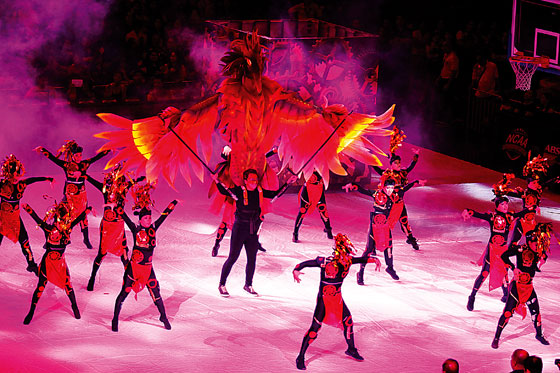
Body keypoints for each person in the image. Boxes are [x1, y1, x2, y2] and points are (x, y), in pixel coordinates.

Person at [293, 233, 381, 370]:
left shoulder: (348, 262)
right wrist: (296, 270)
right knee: (314, 330)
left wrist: (373, 260)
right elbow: (306, 263)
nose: (348, 256)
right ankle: (300, 357)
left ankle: (351, 349)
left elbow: (360, 259)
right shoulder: (325, 262)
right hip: (324, 300)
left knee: (348, 322)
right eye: (346, 252)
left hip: (337, 299)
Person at [215, 168, 293, 297]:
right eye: (251, 180)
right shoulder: (239, 191)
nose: (254, 182)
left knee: (252, 258)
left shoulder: (259, 192)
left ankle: (248, 284)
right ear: (245, 180)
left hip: (253, 230)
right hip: (240, 228)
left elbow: (275, 195)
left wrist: (288, 183)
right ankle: (222, 284)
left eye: (256, 180)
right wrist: (216, 180)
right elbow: (224, 190)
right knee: (233, 257)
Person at [111, 183, 177, 332]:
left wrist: (173, 204)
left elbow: (164, 217)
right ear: (140, 220)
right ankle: (115, 318)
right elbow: (124, 216)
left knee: (156, 293)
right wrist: (117, 205)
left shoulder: (153, 228)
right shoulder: (136, 229)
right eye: (145, 218)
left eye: (149, 218)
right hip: (134, 268)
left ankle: (163, 316)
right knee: (124, 293)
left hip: (147, 268)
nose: (148, 220)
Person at [21, 201, 91, 324]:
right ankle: (31, 311)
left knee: (68, 286)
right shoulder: (48, 230)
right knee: (40, 287)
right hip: (47, 264)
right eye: (59, 221)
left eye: (63, 222)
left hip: (60, 265)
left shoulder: (66, 231)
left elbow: (76, 221)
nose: (60, 224)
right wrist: (28, 209)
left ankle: (74, 306)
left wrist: (86, 211)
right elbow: (38, 220)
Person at [345, 177, 422, 283]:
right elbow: (364, 190)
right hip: (375, 225)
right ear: (384, 187)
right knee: (369, 249)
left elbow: (405, 188)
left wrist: (416, 181)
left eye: (391, 188)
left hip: (385, 226)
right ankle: (361, 272)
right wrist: (353, 185)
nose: (390, 190)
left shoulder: (395, 195)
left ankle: (390, 268)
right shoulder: (377, 194)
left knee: (389, 246)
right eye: (388, 188)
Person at [35, 141, 109, 249]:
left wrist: (108, 150)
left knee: (82, 216)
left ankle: (86, 239)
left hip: (81, 196)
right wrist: (42, 149)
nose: (79, 157)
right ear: (72, 155)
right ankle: (51, 237)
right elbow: (54, 159)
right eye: (76, 155)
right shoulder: (67, 165)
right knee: (59, 214)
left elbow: (96, 158)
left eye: (80, 155)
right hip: (69, 195)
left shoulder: (84, 164)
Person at [462, 196, 529, 311]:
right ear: (497, 206)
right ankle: (472, 296)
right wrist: (468, 211)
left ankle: (506, 295)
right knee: (484, 273)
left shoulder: (509, 217)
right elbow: (477, 214)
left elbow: (521, 214)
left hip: (503, 250)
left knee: (503, 273)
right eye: (502, 204)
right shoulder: (492, 217)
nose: (505, 206)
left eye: (506, 204)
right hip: (492, 249)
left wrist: (531, 208)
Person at [84, 165, 145, 291]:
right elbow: (94, 182)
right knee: (101, 253)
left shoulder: (123, 190)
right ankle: (92, 277)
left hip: (118, 226)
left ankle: (130, 279)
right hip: (107, 227)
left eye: (120, 181)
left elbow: (132, 184)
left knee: (123, 254)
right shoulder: (106, 190)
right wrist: (85, 176)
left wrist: (140, 180)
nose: (118, 183)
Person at [491, 227, 551, 349]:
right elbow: (504, 256)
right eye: (535, 243)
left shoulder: (539, 250)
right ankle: (497, 336)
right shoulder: (520, 249)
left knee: (536, 313)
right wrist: (513, 268)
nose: (537, 245)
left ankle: (539, 334)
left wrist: (542, 260)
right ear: (529, 242)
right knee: (507, 313)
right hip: (517, 287)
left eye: (538, 243)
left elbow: (543, 257)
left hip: (529, 287)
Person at [0, 154, 53, 275]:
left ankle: (31, 264)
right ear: (9, 173)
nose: (18, 176)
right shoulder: (2, 185)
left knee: (25, 242)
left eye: (19, 174)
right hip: (2, 218)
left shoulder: (21, 184)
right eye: (16, 174)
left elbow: (32, 179)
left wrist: (48, 178)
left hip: (15, 219)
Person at [371, 149, 420, 250]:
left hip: (400, 203)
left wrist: (416, 155)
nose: (398, 164)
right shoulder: (388, 174)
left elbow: (411, 166)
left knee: (404, 221)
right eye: (396, 163)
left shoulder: (403, 173)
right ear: (391, 164)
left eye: (399, 162)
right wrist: (370, 158)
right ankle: (374, 243)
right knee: (383, 224)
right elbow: (377, 169)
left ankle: (411, 239)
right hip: (389, 205)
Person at [292, 171, 333, 243]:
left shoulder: (321, 162)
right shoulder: (314, 162)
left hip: (317, 189)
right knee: (304, 212)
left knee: (322, 210)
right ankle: (295, 234)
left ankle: (328, 230)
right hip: (310, 189)